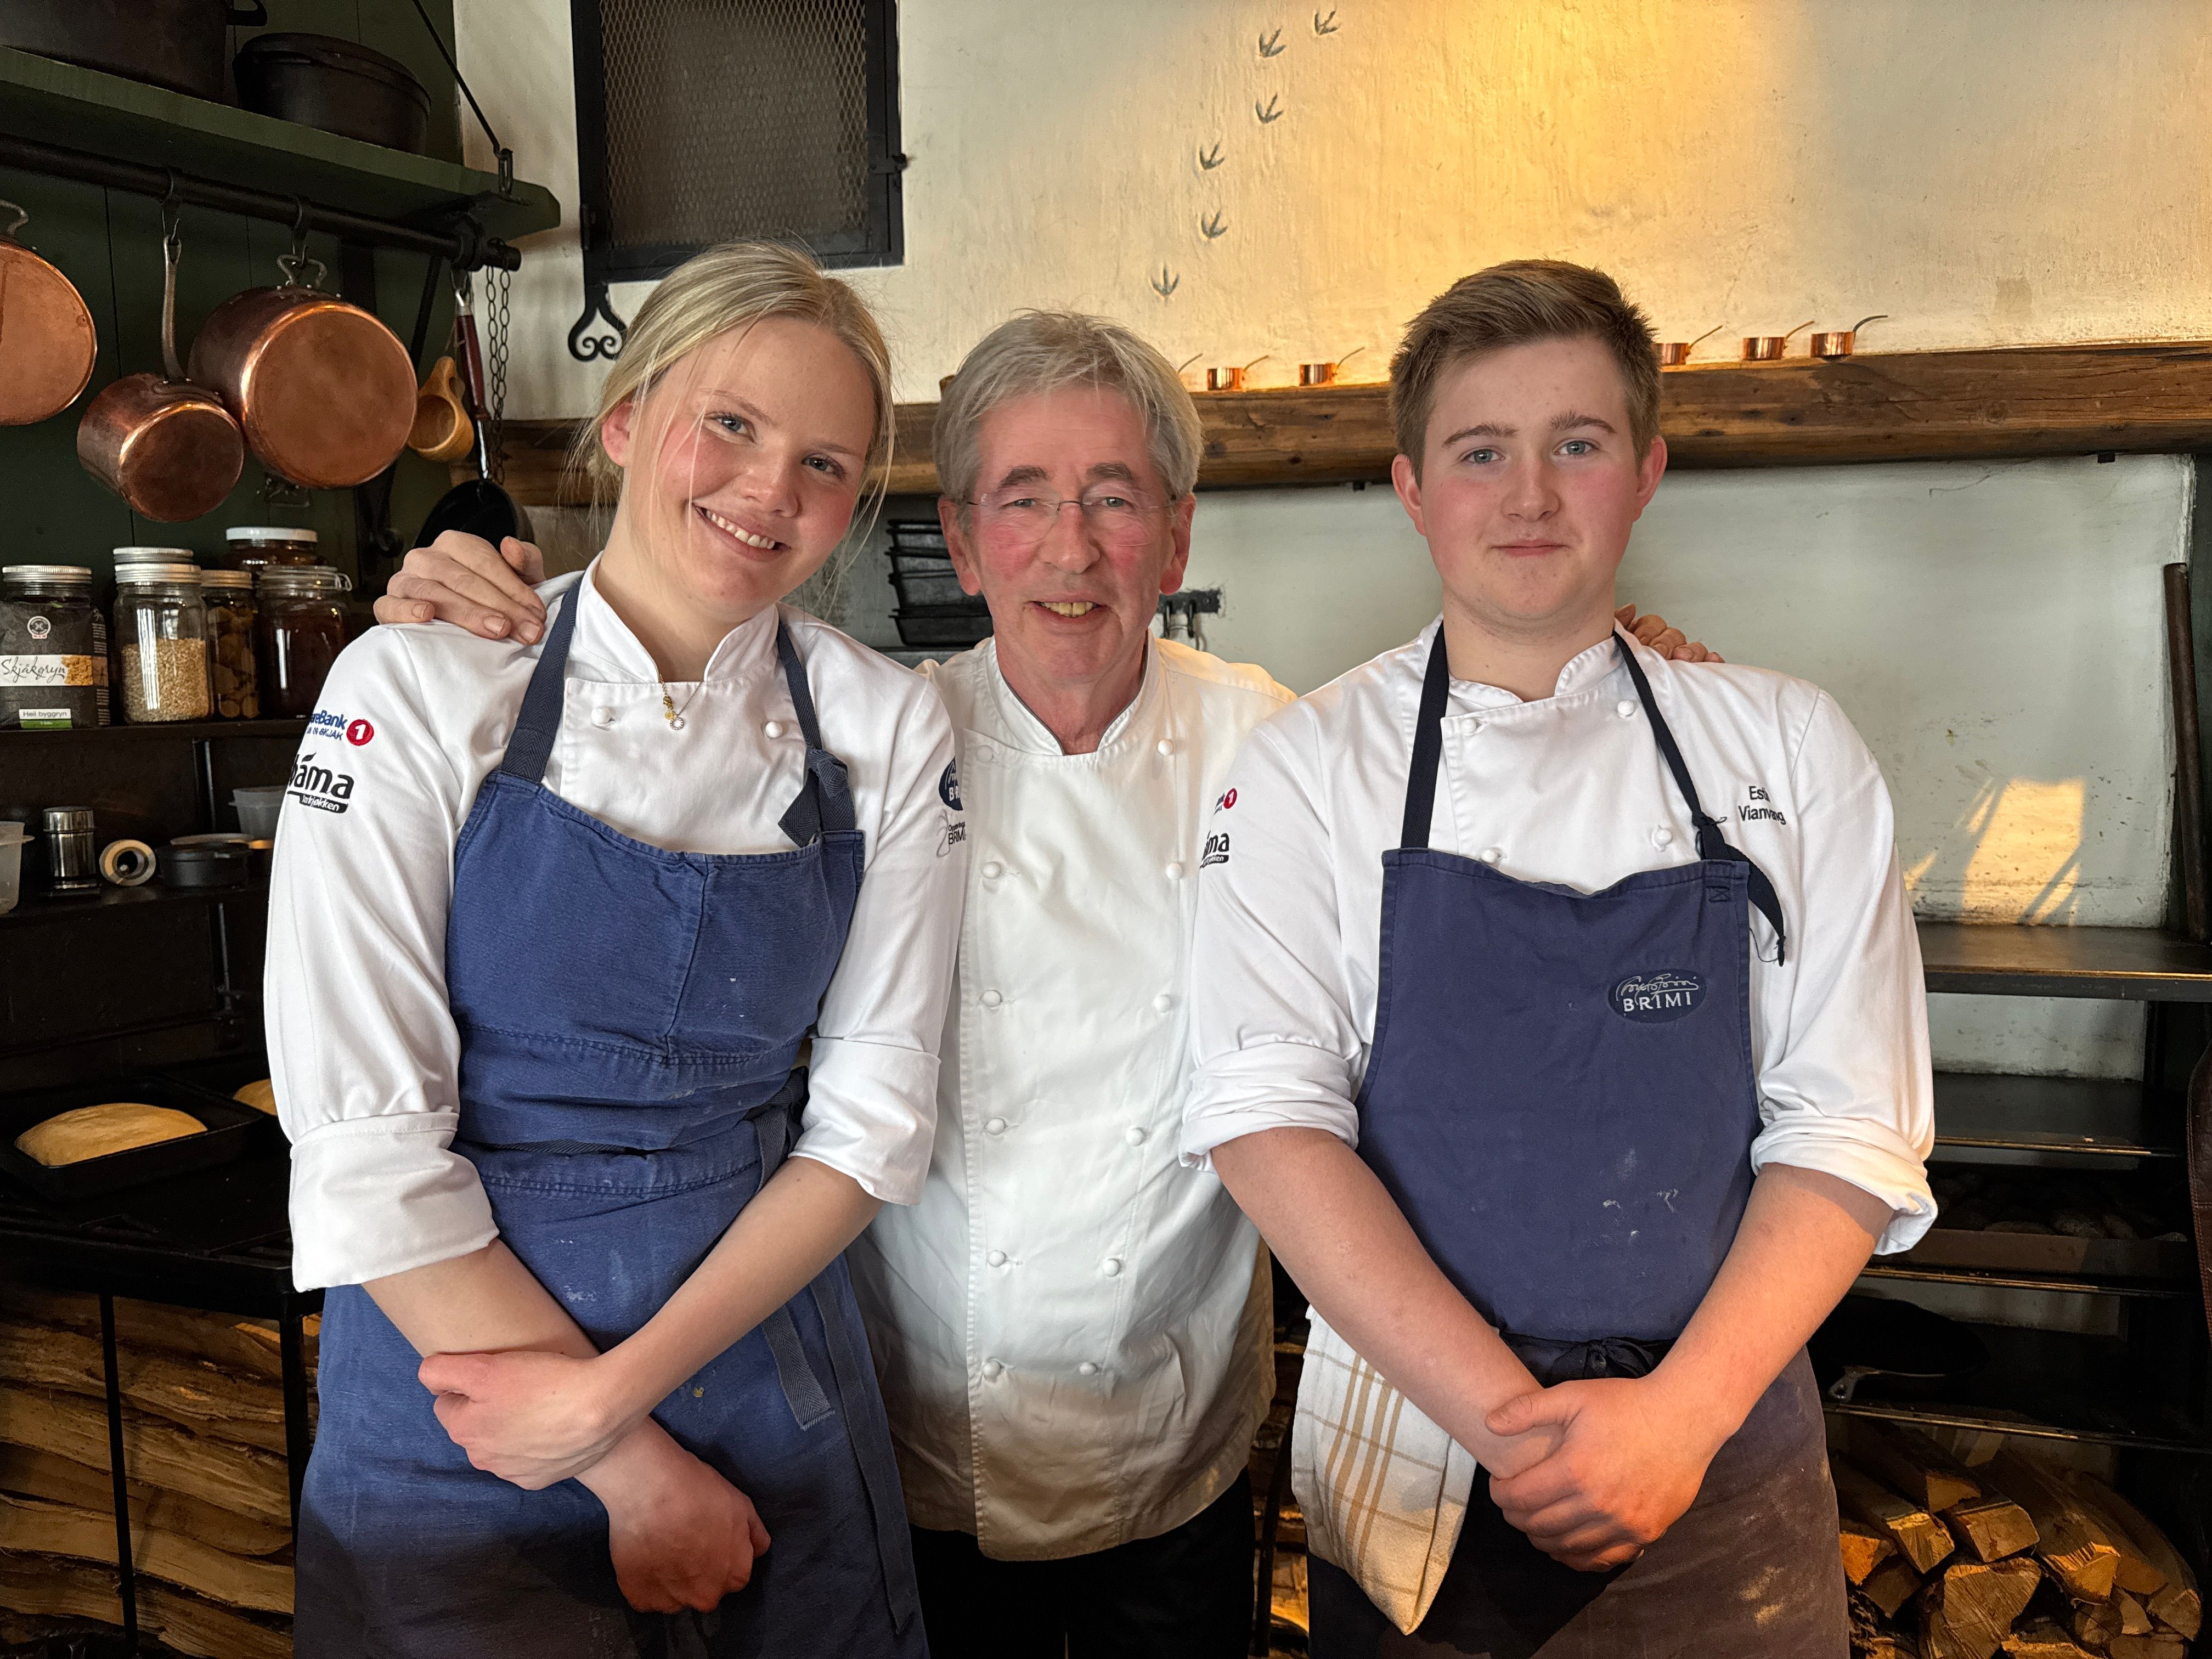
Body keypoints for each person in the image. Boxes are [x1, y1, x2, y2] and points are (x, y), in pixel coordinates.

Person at [374, 311, 1718, 1657]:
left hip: (1173, 1428)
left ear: (1177, 539)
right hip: (911, 1419)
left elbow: (1489, 783)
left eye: (1115, 499)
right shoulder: (878, 740)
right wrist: (495, 609)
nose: (1071, 550)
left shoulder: (1281, 741)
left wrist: (1618, 683)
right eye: (1022, 500)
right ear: (962, 544)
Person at [1182, 259, 1936, 1658]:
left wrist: (1679, 1421)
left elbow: (1853, 1123)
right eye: (1482, 452)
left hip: (1724, 1452)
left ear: (1644, 473)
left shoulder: (1788, 746)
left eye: (1576, 445)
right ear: (1414, 490)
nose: (1529, 495)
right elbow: (1266, 1120)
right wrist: (1517, 1431)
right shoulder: (1304, 771)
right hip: (1420, 1450)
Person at [266, 242, 961, 1657]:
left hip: (758, 1370)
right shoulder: (418, 683)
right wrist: (627, 1465)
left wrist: (608, 1398)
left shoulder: (884, 727)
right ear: (630, 418)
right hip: (460, 1391)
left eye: (826, 464)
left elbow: (872, 1125)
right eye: (731, 423)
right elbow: (367, 1151)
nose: (770, 489)